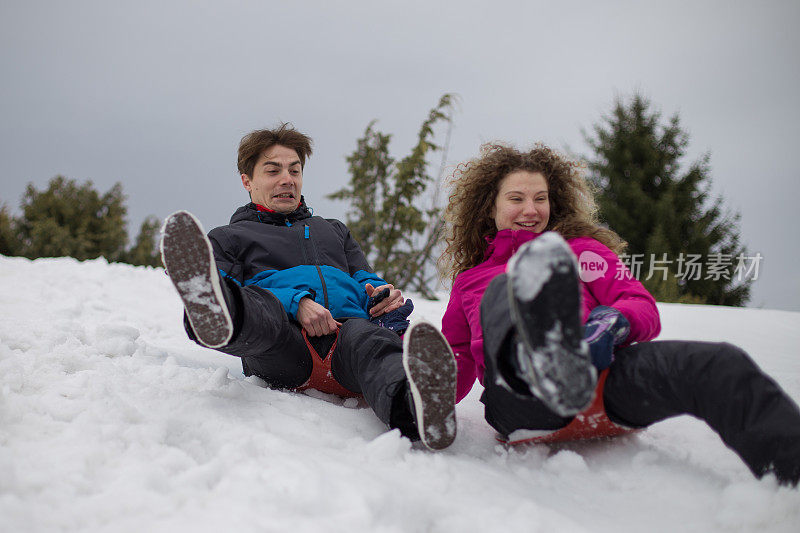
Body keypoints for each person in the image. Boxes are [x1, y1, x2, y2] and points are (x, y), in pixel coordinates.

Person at [439, 142, 800, 484]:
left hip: (601, 380)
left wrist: (610, 325)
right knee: (507, 292)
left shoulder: (581, 252)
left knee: (719, 364)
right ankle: (537, 361)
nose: (531, 210)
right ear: (490, 207)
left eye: (541, 198)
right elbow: (456, 360)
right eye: (516, 199)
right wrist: (427, 394)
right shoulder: (470, 282)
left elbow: (639, 303)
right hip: (520, 403)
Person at [160, 123, 457, 450]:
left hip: (347, 336)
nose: (286, 179)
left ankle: (417, 410)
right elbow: (242, 289)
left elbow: (364, 277)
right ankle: (216, 316)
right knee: (258, 306)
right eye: (272, 170)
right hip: (282, 345)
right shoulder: (229, 237)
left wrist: (381, 294)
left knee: (372, 342)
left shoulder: (333, 231)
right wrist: (295, 302)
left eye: (294, 170)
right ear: (247, 181)